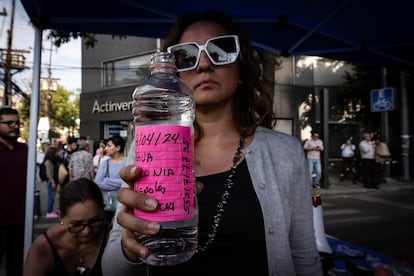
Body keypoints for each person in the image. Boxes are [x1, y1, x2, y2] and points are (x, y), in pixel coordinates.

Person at [101, 11, 322, 276]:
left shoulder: (285, 152)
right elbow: (111, 269)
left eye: (221, 50)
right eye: (187, 55)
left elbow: (305, 257)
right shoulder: (148, 149)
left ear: (241, 70)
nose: (204, 64)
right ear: (174, 73)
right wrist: (130, 246)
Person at [24, 178, 109, 276]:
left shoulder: (113, 239)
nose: (86, 231)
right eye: (77, 224)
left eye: (94, 221)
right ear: (61, 217)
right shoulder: (43, 249)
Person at [0, 106, 28, 276]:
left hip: (20, 222)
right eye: (9, 123)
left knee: (17, 267)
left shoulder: (25, 150)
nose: (14, 126)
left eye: (17, 123)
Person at [94, 136, 126, 224]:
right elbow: (98, 183)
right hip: (107, 204)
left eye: (109, 146)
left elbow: (128, 184)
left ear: (118, 148)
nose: (106, 149)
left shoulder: (127, 162)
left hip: (124, 204)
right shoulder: (105, 163)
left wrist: (107, 180)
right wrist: (120, 184)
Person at [43, 145, 61, 218]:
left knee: (52, 196)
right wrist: (53, 182)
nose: (57, 153)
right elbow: (49, 173)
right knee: (51, 197)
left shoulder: (54, 160)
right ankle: (49, 212)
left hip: (54, 181)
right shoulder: (48, 161)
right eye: (56, 152)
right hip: (51, 182)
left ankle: (50, 211)